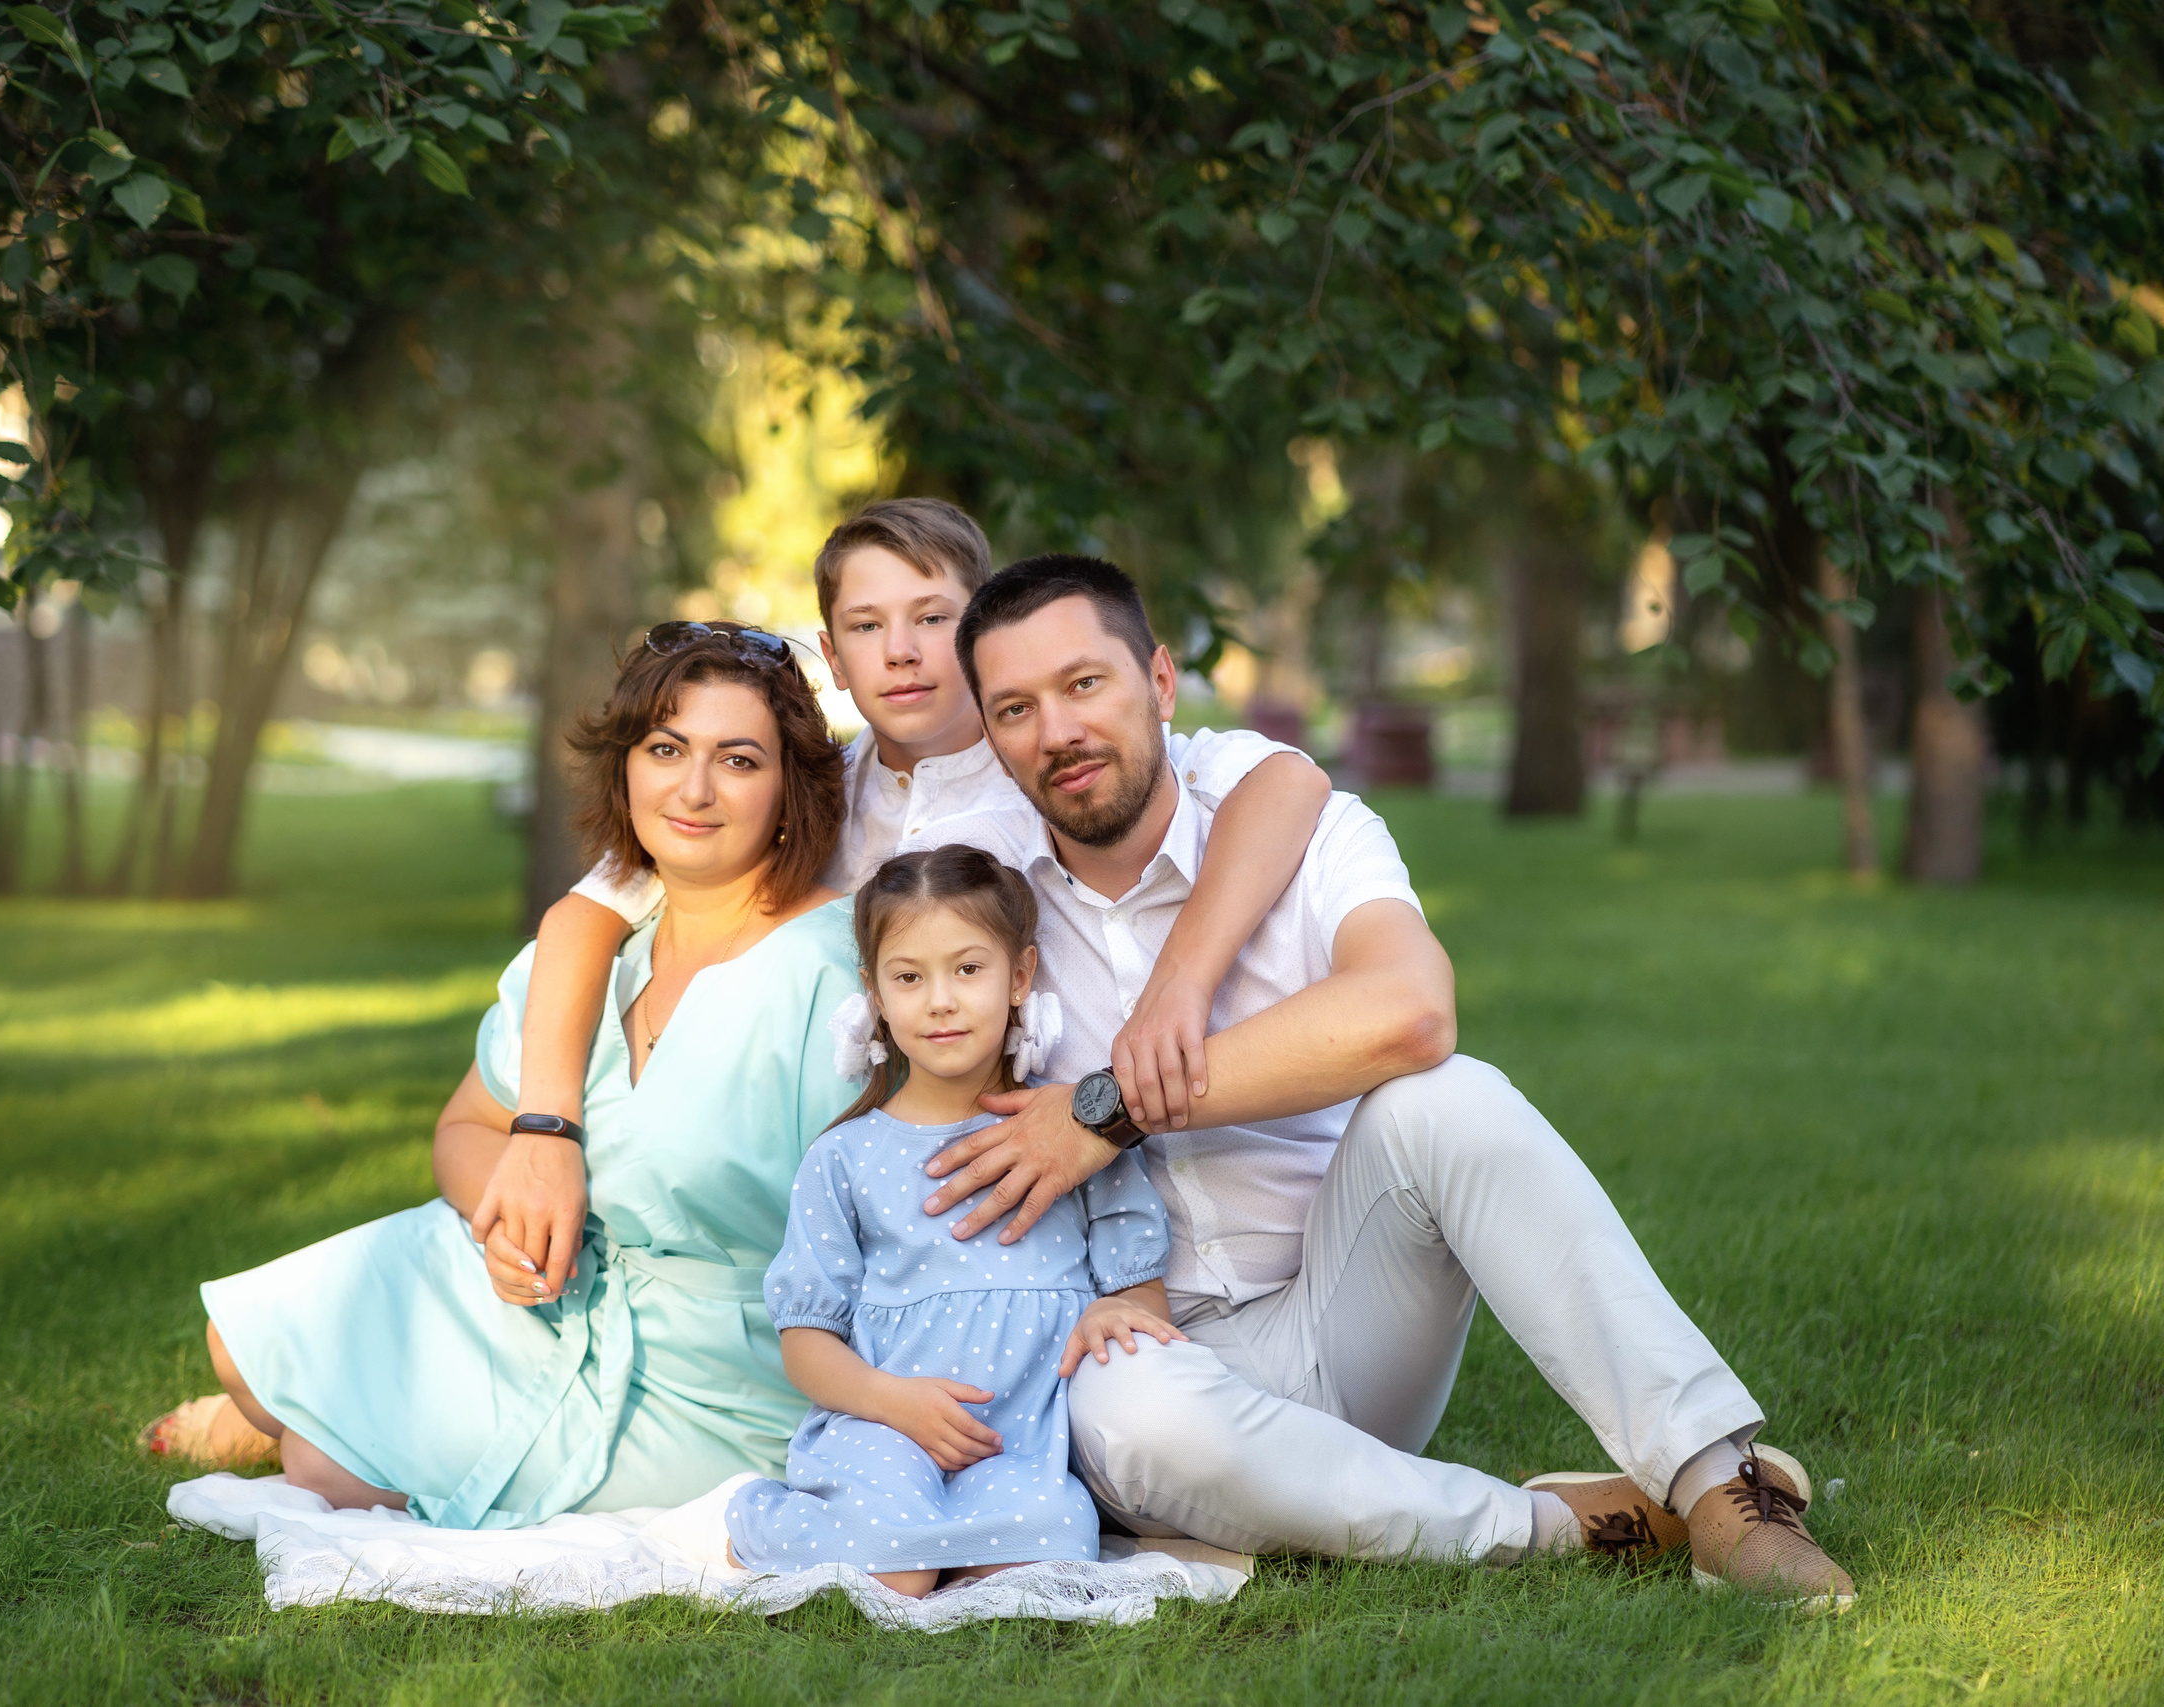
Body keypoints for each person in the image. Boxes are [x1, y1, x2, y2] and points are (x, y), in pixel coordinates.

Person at [902, 554, 1854, 1608]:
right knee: (1126, 1416)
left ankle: (1717, 1486)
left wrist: (1107, 1110)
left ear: (1160, 684)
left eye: (1086, 685)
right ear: (988, 736)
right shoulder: (978, 899)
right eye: (1015, 709)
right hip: (1140, 1348)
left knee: (1449, 1095)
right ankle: (1566, 1528)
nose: (1057, 732)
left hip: (1349, 1307)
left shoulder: (1301, 830)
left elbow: (1411, 1011)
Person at [486, 497, 1335, 1316]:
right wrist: (544, 1127)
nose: (900, 652)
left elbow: (1284, 780)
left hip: (1059, 1141)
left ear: (976, 641)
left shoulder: (1051, 765)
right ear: (834, 651)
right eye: (866, 626)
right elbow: (592, 907)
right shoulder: (804, 795)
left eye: (931, 619)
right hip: (854, 1152)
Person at [145, 622, 869, 1522]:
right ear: (626, 770)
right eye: (666, 748)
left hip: (729, 1371)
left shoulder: (835, 974)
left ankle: (289, 1423)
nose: (693, 788)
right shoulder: (600, 947)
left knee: (322, 1468)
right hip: (547, 1300)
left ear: (792, 791)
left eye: (739, 760)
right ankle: (273, 1406)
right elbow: (464, 1130)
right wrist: (517, 1210)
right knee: (239, 1343)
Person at [724, 846, 1178, 1595]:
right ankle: (766, 1523)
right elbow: (806, 1339)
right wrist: (889, 1400)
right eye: (909, 977)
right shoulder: (844, 1156)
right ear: (874, 993)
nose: (940, 1000)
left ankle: (954, 1537)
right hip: (882, 1428)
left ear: (1020, 976)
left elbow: (1141, 1298)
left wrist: (1111, 1313)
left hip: (1018, 1442)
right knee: (894, 1572)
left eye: (969, 969)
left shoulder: (1077, 1137)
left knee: (1045, 1558)